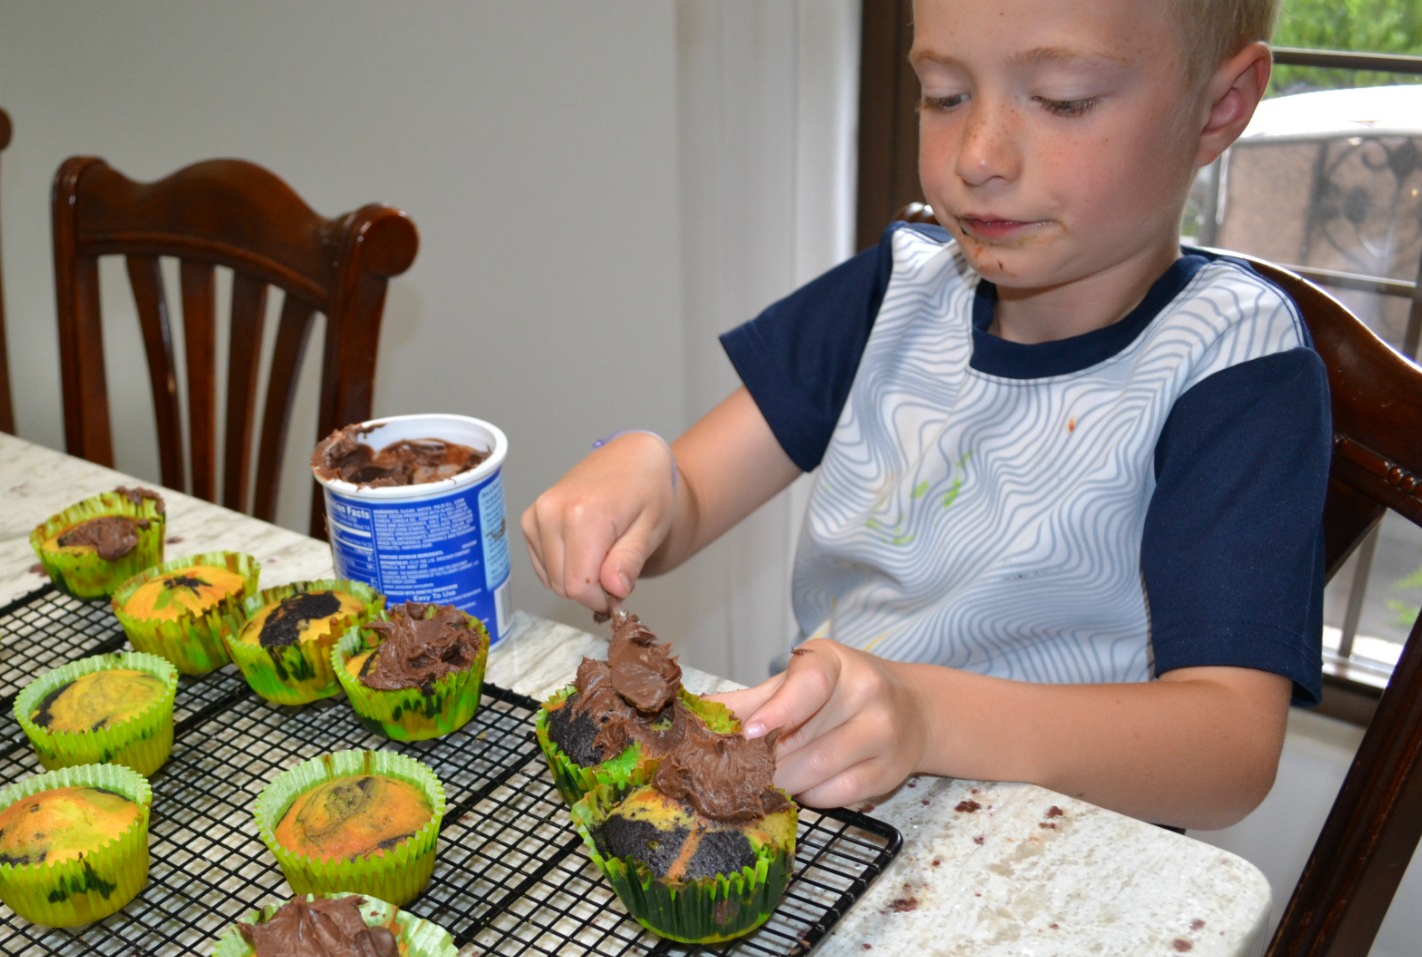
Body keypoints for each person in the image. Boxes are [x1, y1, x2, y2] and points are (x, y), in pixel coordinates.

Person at [523, 0, 1330, 838]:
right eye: (944, 95)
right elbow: (684, 500)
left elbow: (1227, 753)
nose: (978, 157)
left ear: (1221, 105)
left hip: (1058, 857)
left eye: (1062, 99)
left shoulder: (1234, 364)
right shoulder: (894, 293)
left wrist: (926, 715)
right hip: (835, 812)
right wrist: (643, 467)